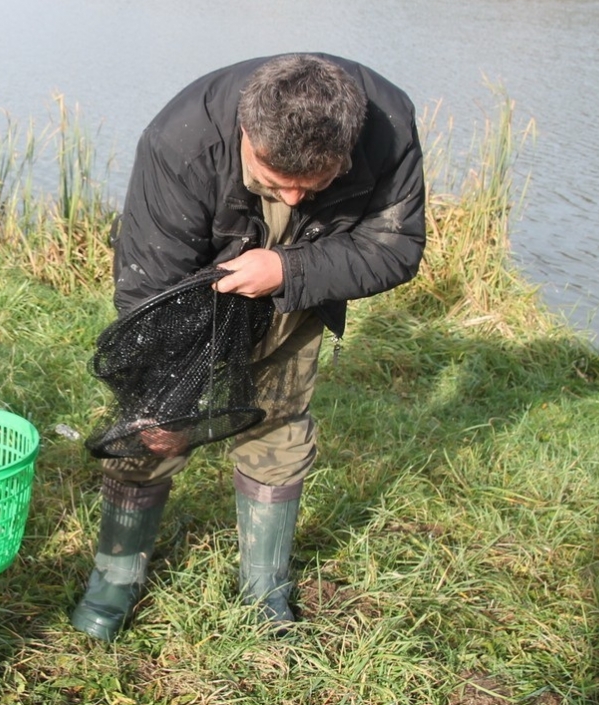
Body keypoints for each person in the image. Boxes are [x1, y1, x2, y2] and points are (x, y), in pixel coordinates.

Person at [71, 53, 426, 641]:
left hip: (298, 289)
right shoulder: (179, 141)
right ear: (246, 132)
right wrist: (162, 400)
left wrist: (288, 269)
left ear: (347, 149)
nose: (292, 198)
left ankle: (265, 587)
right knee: (147, 431)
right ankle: (115, 579)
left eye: (313, 184)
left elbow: (395, 247)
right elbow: (147, 288)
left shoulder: (387, 124)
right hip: (185, 297)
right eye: (273, 180)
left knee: (279, 425)